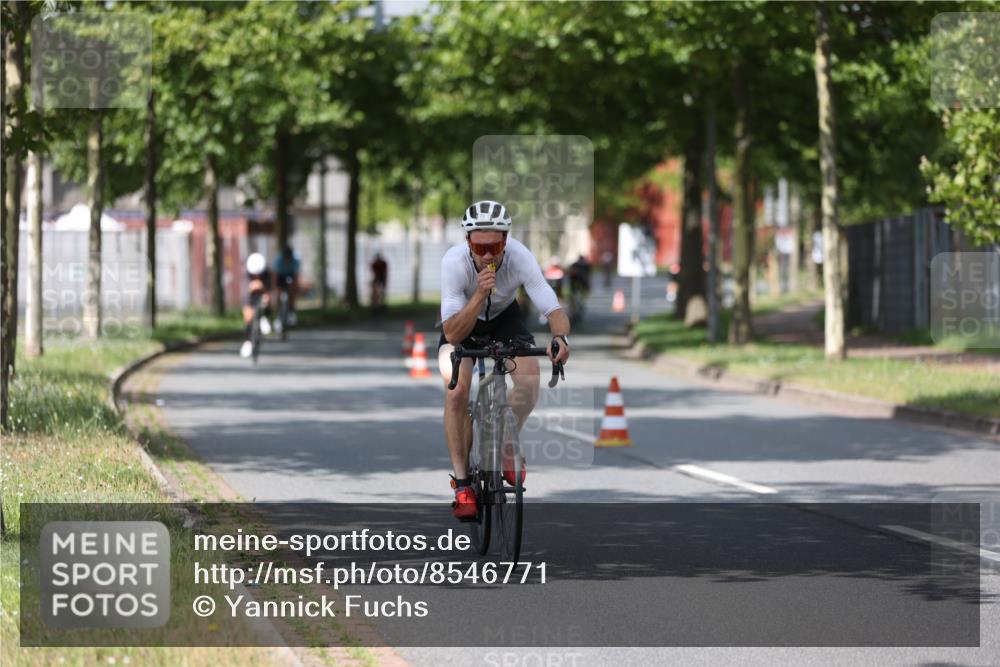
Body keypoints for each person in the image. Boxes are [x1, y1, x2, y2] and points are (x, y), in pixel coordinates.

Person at [437, 200, 571, 520]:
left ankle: (507, 442)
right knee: (456, 392)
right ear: (467, 242)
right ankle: (463, 484)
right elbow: (452, 332)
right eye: (478, 246)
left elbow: (552, 309)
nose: (486, 255)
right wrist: (480, 294)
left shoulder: (520, 257)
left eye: (494, 245)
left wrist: (559, 338)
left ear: (506, 240)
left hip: (505, 322)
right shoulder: (454, 263)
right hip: (462, 326)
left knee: (530, 379)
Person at [240, 252, 273, 358]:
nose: (257, 276)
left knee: (267, 299)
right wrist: (251, 288)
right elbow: (245, 294)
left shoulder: (267, 273)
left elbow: (270, 290)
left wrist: (263, 289)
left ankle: (265, 318)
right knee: (248, 315)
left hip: (263, 292)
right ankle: (248, 341)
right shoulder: (246, 275)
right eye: (255, 274)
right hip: (250, 295)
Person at [272, 246, 301, 328]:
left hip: (290, 275)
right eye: (286, 258)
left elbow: (296, 276)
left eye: (289, 258)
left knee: (292, 292)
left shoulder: (295, 261)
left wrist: (295, 287)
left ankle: (291, 312)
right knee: (278, 294)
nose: (287, 260)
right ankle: (277, 317)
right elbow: (275, 276)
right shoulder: (278, 261)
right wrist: (275, 287)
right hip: (280, 276)